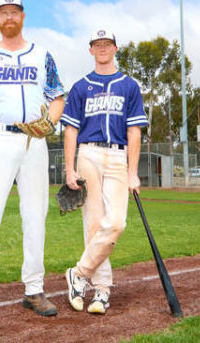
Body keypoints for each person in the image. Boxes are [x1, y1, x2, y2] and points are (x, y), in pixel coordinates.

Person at [0, 0, 65, 325]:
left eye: (14, 12)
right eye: (3, 13)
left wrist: (50, 122)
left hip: (34, 142)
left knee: (35, 215)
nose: (9, 17)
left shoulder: (41, 54)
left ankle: (34, 289)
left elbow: (57, 96)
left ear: (23, 16)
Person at [60, 29, 148, 314]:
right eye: (97, 44)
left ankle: (79, 274)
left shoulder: (129, 86)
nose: (102, 48)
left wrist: (133, 171)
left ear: (115, 48)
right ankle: (101, 290)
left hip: (118, 155)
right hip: (88, 154)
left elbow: (134, 131)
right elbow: (70, 130)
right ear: (90, 50)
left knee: (116, 223)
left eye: (106, 44)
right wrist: (69, 169)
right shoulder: (80, 86)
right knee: (94, 224)